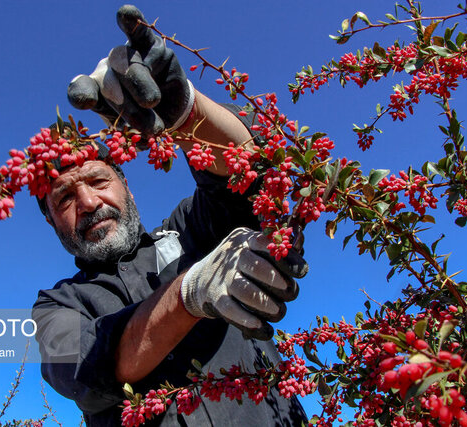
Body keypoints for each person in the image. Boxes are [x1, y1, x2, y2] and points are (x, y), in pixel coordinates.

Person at [32, 5, 309, 426]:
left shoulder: (189, 231)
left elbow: (249, 174)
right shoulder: (56, 305)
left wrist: (186, 115)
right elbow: (87, 368)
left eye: (98, 181)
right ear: (50, 221)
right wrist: (190, 293)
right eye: (65, 198)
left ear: (127, 185)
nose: (88, 203)